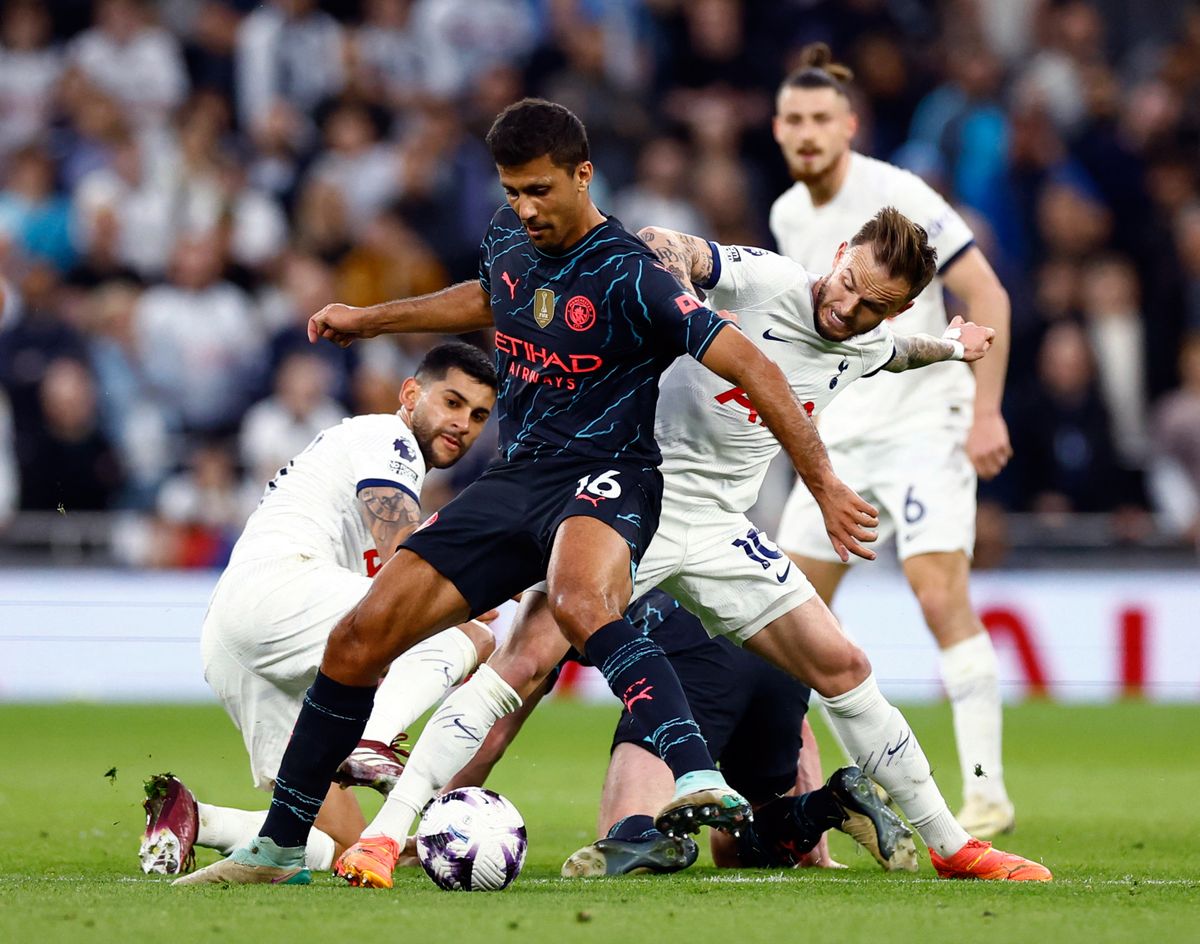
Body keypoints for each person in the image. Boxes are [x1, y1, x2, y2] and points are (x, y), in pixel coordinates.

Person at [176, 98, 877, 887]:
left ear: (584, 175)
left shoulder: (633, 274)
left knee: (581, 602)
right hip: (521, 474)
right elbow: (489, 296)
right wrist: (371, 321)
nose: (526, 208)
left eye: (540, 189)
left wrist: (822, 485)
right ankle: (277, 846)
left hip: (613, 474)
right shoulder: (512, 240)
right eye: (513, 191)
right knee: (357, 639)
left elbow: (753, 366)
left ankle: (693, 773)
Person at [332, 210, 1051, 886]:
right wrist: (689, 306)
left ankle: (955, 848)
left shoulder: (865, 338)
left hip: (715, 525)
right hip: (627, 498)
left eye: (871, 304)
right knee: (519, 664)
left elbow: (894, 354)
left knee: (844, 664)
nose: (846, 308)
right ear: (837, 257)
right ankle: (385, 837)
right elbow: (660, 242)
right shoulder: (766, 279)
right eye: (849, 283)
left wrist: (955, 347)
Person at [769, 44, 1018, 837]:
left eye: (821, 119)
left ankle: (985, 792)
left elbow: (986, 292)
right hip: (838, 429)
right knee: (789, 616)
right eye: (794, 119)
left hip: (923, 417)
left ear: (848, 124)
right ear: (777, 128)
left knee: (937, 592)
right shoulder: (785, 214)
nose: (807, 133)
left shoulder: (898, 193)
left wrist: (986, 411)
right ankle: (836, 792)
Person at [144, 343, 498, 876]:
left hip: (233, 636)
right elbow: (406, 546)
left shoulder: (364, 447)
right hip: (283, 588)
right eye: (452, 402)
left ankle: (198, 818)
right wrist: (481, 582)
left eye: (477, 416)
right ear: (410, 394)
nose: (462, 425)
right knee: (468, 634)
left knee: (346, 843)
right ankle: (373, 740)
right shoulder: (388, 437)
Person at [560, 590, 919, 877]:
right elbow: (803, 730)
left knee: (625, 833)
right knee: (734, 851)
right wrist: (816, 847)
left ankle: (646, 836)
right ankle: (830, 804)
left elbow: (525, 668)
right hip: (775, 642)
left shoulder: (566, 570)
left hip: (687, 640)